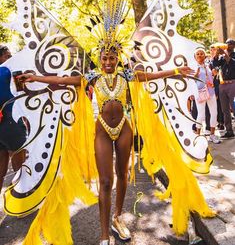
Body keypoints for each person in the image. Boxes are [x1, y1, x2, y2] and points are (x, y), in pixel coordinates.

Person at [20, 50, 194, 244]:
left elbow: (148, 76)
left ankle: (117, 218)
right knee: (105, 181)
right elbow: (63, 80)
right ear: (99, 60)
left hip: (124, 129)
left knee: (122, 174)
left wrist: (177, 70)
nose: (108, 62)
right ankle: (104, 234)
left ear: (117, 59)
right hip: (102, 129)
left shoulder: (126, 75)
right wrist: (35, 77)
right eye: (104, 58)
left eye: (112, 58)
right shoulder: (92, 77)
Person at [0, 45, 27, 194]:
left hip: (2, 121)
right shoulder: (9, 70)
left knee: (0, 168)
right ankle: (21, 199)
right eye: (7, 56)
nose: (11, 59)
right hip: (10, 120)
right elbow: (22, 89)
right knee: (19, 164)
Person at [194, 48, 220, 144]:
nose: (200, 55)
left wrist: (213, 75)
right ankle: (197, 136)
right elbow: (191, 81)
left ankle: (212, 135)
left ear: (205, 56)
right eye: (198, 54)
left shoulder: (208, 66)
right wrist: (196, 75)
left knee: (214, 113)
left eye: (202, 54)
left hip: (211, 92)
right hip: (200, 93)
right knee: (201, 114)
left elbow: (210, 78)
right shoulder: (193, 67)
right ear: (195, 56)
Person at [211, 39, 235, 138]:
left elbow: (232, 63)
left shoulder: (233, 55)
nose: (228, 45)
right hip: (222, 84)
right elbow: (215, 65)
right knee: (225, 110)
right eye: (227, 43)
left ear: (233, 46)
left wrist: (225, 54)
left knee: (234, 107)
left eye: (230, 44)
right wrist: (216, 54)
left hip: (233, 83)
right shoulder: (221, 57)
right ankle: (229, 131)